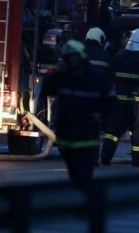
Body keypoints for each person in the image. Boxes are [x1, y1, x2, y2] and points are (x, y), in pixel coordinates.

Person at [36, 40, 116, 189]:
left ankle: (85, 204)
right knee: (74, 175)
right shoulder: (62, 77)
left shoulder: (96, 78)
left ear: (81, 57)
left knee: (84, 176)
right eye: (68, 58)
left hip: (87, 138)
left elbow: (111, 100)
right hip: (67, 139)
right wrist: (50, 77)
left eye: (74, 57)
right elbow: (47, 89)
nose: (71, 61)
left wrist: (101, 115)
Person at [100, 28, 139, 167]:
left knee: (113, 131)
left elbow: (110, 76)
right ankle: (138, 161)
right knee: (138, 132)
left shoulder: (119, 56)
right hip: (137, 103)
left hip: (118, 100)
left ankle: (105, 158)